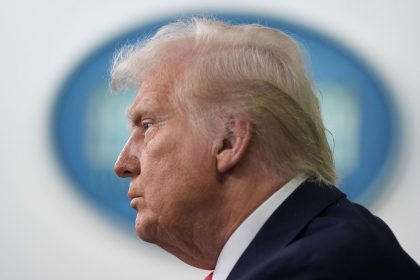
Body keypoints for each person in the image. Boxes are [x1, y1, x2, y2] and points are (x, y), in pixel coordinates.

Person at [112, 18, 420, 279]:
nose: (123, 163)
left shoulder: (313, 268)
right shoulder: (332, 241)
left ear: (229, 141)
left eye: (147, 125)